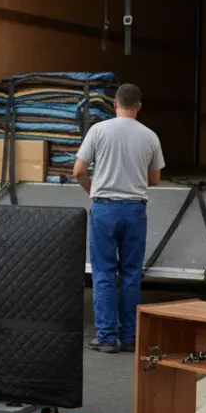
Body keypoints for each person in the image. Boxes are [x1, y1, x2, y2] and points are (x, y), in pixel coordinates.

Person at [73, 84, 165, 354]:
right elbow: (155, 178)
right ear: (139, 106)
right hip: (135, 210)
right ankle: (130, 337)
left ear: (115, 104)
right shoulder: (150, 136)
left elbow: (79, 169)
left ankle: (106, 336)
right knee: (131, 274)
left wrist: (92, 189)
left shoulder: (99, 131)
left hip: (104, 209)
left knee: (103, 273)